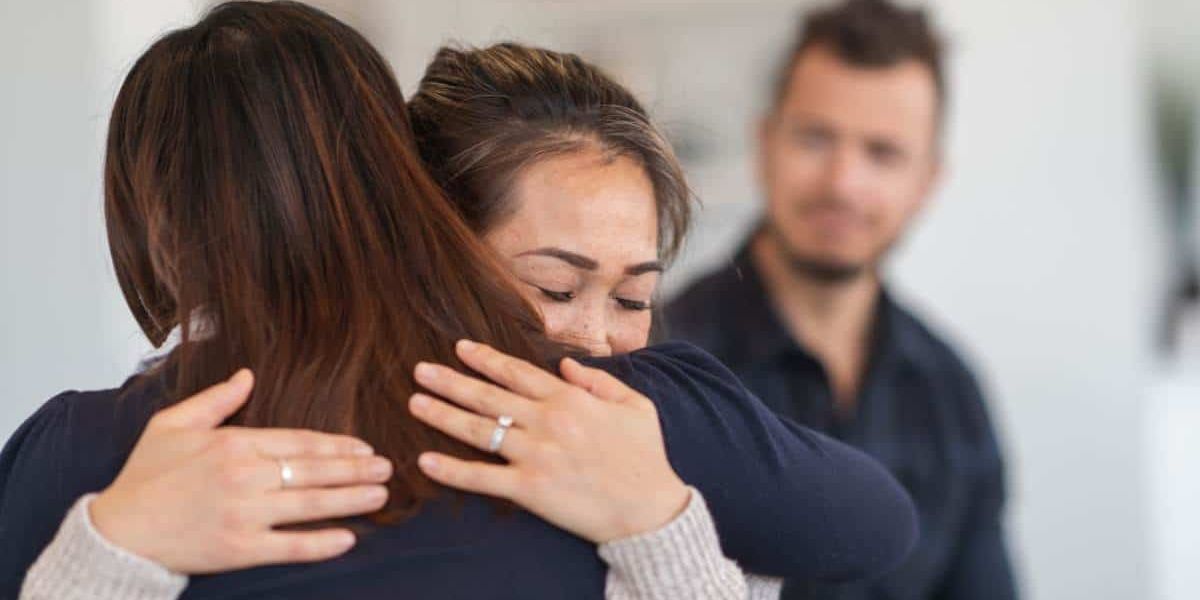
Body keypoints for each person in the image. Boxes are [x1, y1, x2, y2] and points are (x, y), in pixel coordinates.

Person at [0, 3, 916, 599]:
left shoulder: (83, 450)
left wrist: (655, 516)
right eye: (553, 286)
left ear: (148, 221)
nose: (591, 340)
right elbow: (873, 525)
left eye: (635, 294)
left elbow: (877, 524)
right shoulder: (619, 408)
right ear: (421, 214)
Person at [663, 1, 1018, 599]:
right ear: (765, 143)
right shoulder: (667, 362)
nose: (842, 183)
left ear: (927, 182)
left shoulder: (952, 392)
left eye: (883, 153)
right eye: (815, 138)